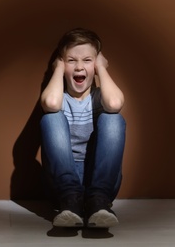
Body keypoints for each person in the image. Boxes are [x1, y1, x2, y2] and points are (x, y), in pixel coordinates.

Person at [40, 28, 126, 228]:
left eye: (87, 60)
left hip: (99, 179)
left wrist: (102, 68)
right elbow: (51, 104)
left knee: (114, 119)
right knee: (50, 119)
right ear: (61, 64)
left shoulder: (100, 98)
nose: (79, 67)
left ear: (96, 64)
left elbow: (114, 103)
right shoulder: (60, 98)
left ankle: (99, 203)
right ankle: (70, 201)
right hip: (61, 183)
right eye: (71, 61)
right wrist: (58, 69)